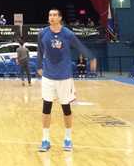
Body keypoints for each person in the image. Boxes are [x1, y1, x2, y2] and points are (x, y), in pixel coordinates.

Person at [37, 8, 96, 152]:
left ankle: (68, 139)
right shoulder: (42, 33)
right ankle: (45, 140)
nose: (52, 17)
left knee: (66, 108)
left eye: (55, 15)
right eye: (50, 14)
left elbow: (79, 46)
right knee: (46, 107)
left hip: (64, 77)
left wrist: (91, 57)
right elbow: (40, 51)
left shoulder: (67, 34)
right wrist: (39, 66)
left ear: (60, 18)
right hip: (48, 77)